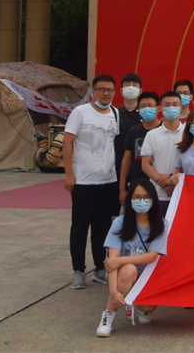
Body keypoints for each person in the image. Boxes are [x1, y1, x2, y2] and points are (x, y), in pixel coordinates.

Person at [64, 74, 121, 290]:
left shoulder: (115, 113)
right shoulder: (80, 112)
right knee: (80, 227)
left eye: (110, 90)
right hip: (83, 181)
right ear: (93, 92)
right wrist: (69, 174)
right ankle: (78, 270)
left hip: (108, 181)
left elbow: (112, 144)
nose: (106, 93)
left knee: (103, 228)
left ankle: (99, 269)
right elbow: (67, 142)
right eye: (101, 89)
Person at [95, 179, 167, 337]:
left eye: (146, 197)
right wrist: (113, 292)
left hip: (147, 277)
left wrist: (120, 260)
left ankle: (139, 306)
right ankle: (108, 315)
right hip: (123, 275)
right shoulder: (119, 223)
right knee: (129, 269)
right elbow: (111, 262)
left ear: (153, 200)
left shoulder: (161, 224)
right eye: (137, 197)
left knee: (148, 307)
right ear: (130, 200)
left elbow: (151, 257)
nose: (142, 201)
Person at [140, 91, 184, 216]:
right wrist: (164, 184)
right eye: (167, 105)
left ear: (180, 108)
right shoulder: (152, 135)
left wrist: (172, 179)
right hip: (157, 193)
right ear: (160, 108)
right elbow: (145, 165)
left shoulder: (188, 134)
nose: (171, 108)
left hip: (180, 193)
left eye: (175, 104)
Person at [119, 91, 161, 205]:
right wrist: (122, 189)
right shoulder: (134, 131)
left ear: (158, 108)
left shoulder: (163, 130)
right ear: (138, 109)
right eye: (143, 106)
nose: (147, 109)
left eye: (150, 105)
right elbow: (126, 161)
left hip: (158, 186)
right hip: (136, 185)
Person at [114, 74, 143, 175]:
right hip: (117, 163)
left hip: (140, 164)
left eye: (134, 85)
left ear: (140, 90)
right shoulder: (114, 114)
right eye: (127, 85)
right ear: (121, 90)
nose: (131, 88)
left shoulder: (145, 114)